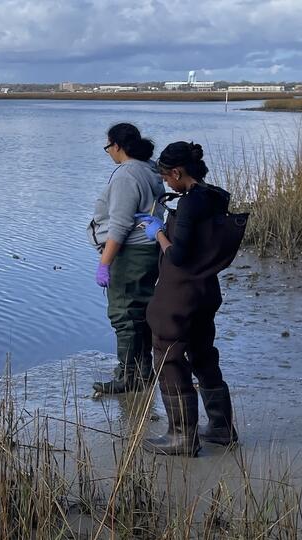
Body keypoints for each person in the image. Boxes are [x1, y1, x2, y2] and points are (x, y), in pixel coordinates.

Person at [137, 142, 240, 457]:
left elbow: (178, 256)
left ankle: (182, 437)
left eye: (168, 177)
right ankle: (222, 429)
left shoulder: (190, 204)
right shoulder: (214, 196)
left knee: (167, 355)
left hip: (180, 293)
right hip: (205, 290)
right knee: (203, 354)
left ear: (178, 172)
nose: (167, 183)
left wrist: (157, 232)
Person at [88, 123, 166, 394]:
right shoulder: (150, 168)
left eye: (108, 147)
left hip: (130, 254)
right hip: (148, 250)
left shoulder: (126, 175)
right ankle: (144, 372)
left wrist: (105, 264)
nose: (108, 152)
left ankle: (128, 376)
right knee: (141, 313)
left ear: (117, 146)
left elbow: (120, 225)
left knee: (124, 315)